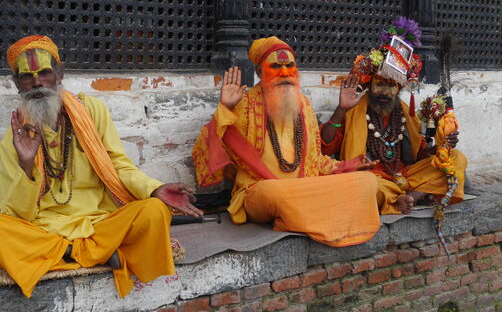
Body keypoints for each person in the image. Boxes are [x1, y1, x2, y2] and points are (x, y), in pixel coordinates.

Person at [0, 36, 202, 298]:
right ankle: (97, 253)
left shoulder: (91, 110)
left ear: (59, 74)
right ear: (16, 84)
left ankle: (68, 254)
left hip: (99, 221)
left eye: (44, 72)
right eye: (27, 77)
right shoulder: (15, 138)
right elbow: (15, 214)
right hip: (47, 228)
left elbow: (119, 165)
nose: (37, 83)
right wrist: (26, 164)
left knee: (154, 210)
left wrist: (154, 188)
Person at [193, 36, 381, 247]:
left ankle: (296, 216)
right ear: (259, 72)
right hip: (261, 191)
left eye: (289, 66)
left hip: (304, 188)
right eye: (275, 66)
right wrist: (225, 108)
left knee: (368, 181)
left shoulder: (304, 105)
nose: (284, 73)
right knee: (275, 193)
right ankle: (311, 213)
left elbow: (315, 161)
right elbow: (209, 150)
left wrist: (347, 166)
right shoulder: (244, 103)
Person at [321, 18, 467, 215]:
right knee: (361, 183)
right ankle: (412, 195)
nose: (385, 92)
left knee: (456, 158)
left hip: (405, 175)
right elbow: (326, 146)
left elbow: (421, 154)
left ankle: (412, 196)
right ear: (369, 84)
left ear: (399, 88)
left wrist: (442, 147)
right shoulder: (355, 109)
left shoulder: (405, 112)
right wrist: (341, 110)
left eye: (391, 85)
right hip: (372, 177)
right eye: (379, 83)